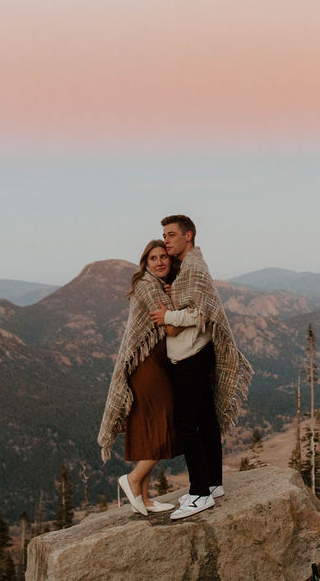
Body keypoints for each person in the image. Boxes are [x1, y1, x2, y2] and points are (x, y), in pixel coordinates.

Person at [149, 214, 253, 520]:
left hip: (192, 356)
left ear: (188, 235)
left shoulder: (192, 267)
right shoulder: (189, 267)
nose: (166, 240)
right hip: (198, 353)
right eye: (164, 235)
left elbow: (200, 313)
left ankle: (199, 493)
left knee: (186, 424)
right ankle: (213, 483)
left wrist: (168, 317)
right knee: (207, 420)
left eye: (171, 235)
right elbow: (192, 304)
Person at [97, 239, 181, 515]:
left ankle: (143, 498)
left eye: (163, 257)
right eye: (152, 258)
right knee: (165, 421)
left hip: (153, 363)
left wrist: (171, 297)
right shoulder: (148, 287)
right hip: (148, 367)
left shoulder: (156, 286)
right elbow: (172, 329)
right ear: (145, 263)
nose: (159, 262)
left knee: (148, 425)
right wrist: (177, 303)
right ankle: (133, 479)